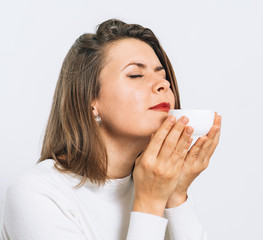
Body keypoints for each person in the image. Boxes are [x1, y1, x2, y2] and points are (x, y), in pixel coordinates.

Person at [1, 18, 222, 240]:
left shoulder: (158, 185)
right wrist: (150, 203)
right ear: (90, 100)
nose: (162, 84)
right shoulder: (36, 193)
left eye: (163, 77)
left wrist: (176, 195)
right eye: (136, 75)